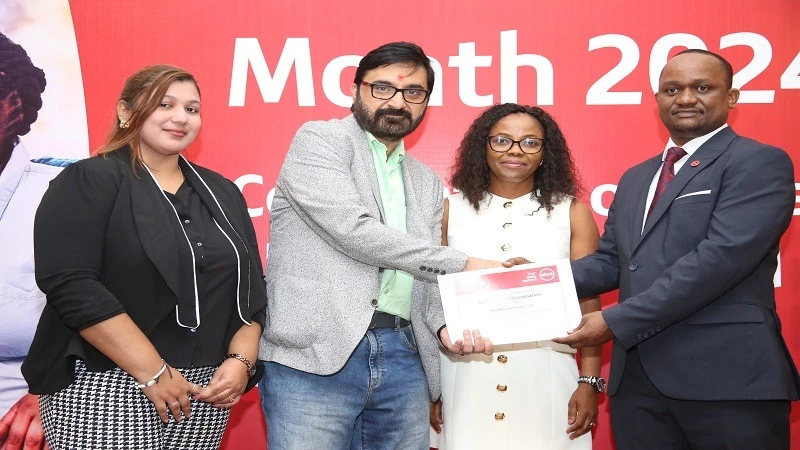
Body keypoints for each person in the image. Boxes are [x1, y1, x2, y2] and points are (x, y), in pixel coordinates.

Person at [549, 49, 800, 449]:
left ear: (731, 97)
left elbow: (719, 260)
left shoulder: (757, 162)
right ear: (657, 100)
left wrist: (615, 321)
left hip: (729, 381)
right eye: (672, 89)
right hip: (639, 384)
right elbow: (613, 262)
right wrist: (537, 279)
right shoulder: (636, 178)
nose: (685, 98)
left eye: (702, 87)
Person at [259, 42, 496, 449]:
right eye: (382, 88)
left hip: (404, 356)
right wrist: (466, 264)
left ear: (425, 103)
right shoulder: (319, 141)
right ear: (356, 90)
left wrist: (445, 327)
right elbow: (353, 230)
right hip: (316, 356)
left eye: (413, 93)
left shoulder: (424, 180)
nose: (397, 102)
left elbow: (423, 276)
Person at [21, 64, 268, 450]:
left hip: (205, 392)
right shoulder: (88, 180)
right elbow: (72, 285)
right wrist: (153, 373)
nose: (180, 118)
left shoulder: (223, 192)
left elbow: (252, 289)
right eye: (164, 104)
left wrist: (241, 361)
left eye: (192, 108)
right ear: (125, 111)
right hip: (108, 383)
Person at [431, 104, 602, 449]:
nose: (515, 150)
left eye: (529, 142)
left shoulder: (573, 212)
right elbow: (431, 300)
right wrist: (433, 387)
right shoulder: (450, 209)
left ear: (544, 152)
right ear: (484, 146)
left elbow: (590, 305)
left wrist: (588, 382)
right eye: (502, 140)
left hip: (547, 374)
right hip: (465, 375)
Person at [0, 31, 62, 450]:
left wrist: (52, 394)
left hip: (24, 420)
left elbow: (129, 318)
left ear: (13, 106)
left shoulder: (63, 193)